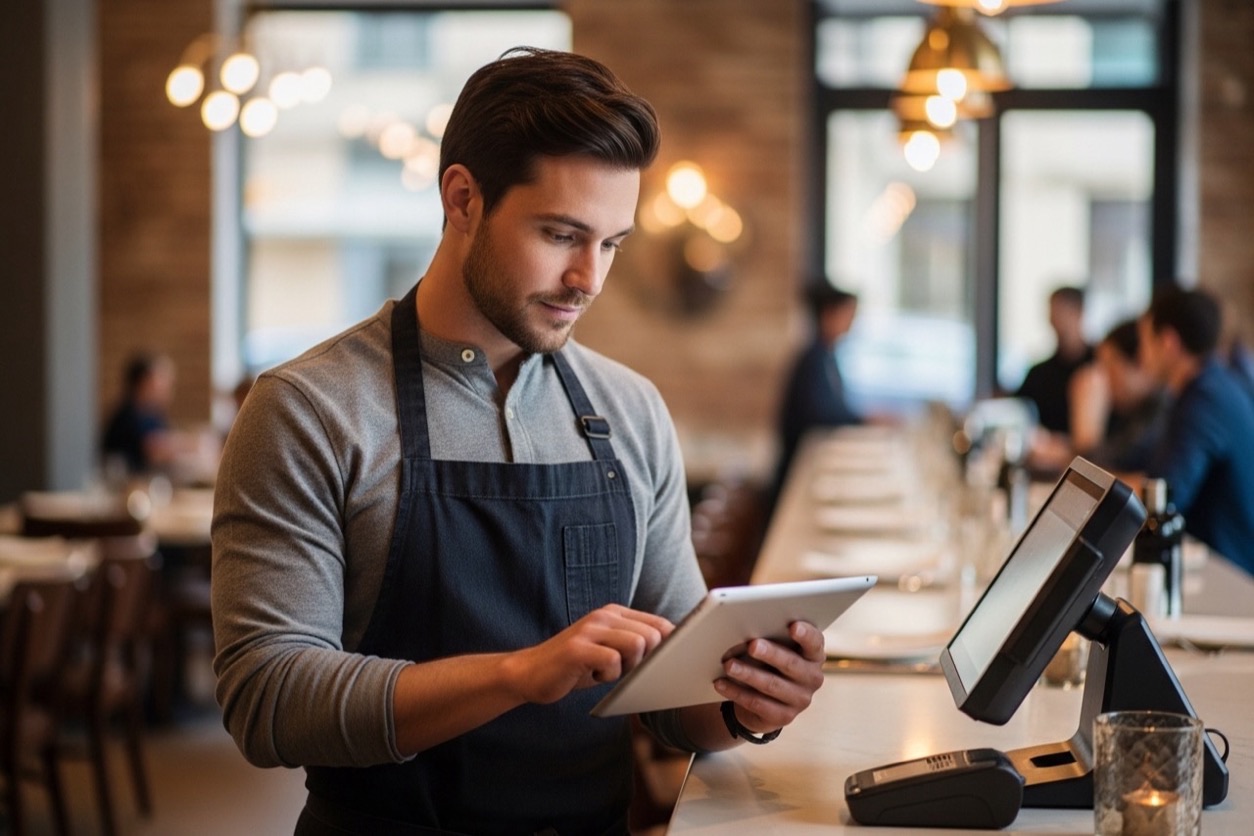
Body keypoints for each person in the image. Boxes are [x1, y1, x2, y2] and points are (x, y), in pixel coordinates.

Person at [211, 47, 827, 836]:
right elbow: (269, 701)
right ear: (462, 198)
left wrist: (745, 704)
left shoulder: (631, 410)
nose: (589, 279)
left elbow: (676, 705)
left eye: (610, 243)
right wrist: (518, 674)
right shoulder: (309, 410)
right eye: (562, 233)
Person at [1138, 286, 1254, 575]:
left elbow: (1165, 497)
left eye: (1145, 342)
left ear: (1168, 343)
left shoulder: (1205, 400)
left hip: (1230, 577)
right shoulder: (1211, 387)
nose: (1141, 356)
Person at [1028, 319, 1170, 476]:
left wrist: (1086, 421)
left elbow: (1103, 473)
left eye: (1109, 368)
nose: (1105, 382)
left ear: (1140, 363)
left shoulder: (1160, 412)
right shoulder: (1132, 413)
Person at [773, 282, 862, 497]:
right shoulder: (814, 359)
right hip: (796, 472)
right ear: (828, 314)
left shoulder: (826, 355)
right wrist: (865, 420)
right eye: (848, 314)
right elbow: (820, 414)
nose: (852, 323)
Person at [1014, 285, 1093, 435]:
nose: (1055, 320)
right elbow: (1017, 409)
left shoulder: (1099, 368)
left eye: (1063, 312)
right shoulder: (1039, 374)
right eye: (1053, 312)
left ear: (1080, 313)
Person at [100, 351, 178, 476]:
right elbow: (155, 450)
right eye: (162, 379)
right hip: (123, 489)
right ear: (144, 383)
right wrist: (192, 445)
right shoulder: (127, 416)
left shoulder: (154, 415)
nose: (167, 386)